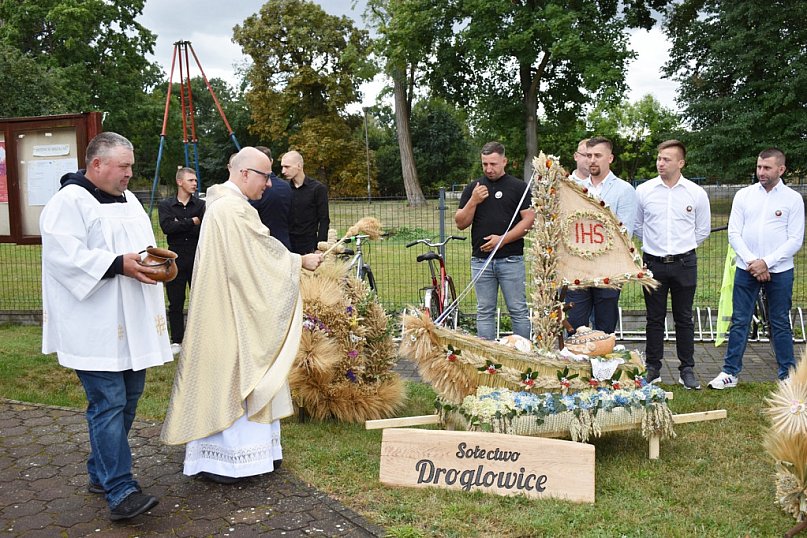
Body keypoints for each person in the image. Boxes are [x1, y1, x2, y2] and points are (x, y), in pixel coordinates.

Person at [161, 147, 323, 483]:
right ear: (245, 173)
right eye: (265, 177)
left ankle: (255, 457)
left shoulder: (225, 205)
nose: (269, 185)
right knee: (237, 372)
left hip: (229, 301)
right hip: (230, 310)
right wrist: (298, 261)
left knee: (237, 371)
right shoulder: (232, 210)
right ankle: (231, 462)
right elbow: (258, 256)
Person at [40, 132, 172, 520]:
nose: (131, 173)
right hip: (94, 323)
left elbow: (141, 248)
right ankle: (120, 488)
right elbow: (65, 258)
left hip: (133, 320)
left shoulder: (129, 200)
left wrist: (154, 264)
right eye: (124, 166)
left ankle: (100, 472)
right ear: (96, 164)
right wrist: (118, 264)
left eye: (131, 166)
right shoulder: (68, 203)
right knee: (109, 402)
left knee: (129, 399)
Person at [708, 148, 804, 389]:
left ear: (781, 169)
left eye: (767, 168)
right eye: (759, 167)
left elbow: (795, 239)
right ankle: (730, 373)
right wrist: (753, 262)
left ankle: (787, 375)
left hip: (780, 271)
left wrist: (767, 262)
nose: (761, 172)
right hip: (746, 268)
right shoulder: (744, 195)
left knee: (780, 321)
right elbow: (733, 232)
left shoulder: (792, 199)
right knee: (740, 320)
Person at [635, 140, 711, 389]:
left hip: (684, 263)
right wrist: (655, 247)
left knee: (684, 318)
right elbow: (637, 225)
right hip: (653, 264)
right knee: (654, 318)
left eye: (666, 159)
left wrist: (681, 248)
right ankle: (653, 368)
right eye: (659, 158)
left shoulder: (695, 193)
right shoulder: (644, 191)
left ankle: (686, 369)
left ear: (681, 163)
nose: (660, 163)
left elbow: (702, 230)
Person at [455, 141, 535, 340]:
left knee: (517, 309)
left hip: (511, 260)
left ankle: (523, 356)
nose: (489, 169)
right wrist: (473, 200)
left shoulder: (518, 187)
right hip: (481, 261)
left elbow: (530, 220)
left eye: (493, 164)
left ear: (504, 161)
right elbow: (460, 223)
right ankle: (488, 360)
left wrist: (502, 240)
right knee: (484, 311)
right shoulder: (474, 188)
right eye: (485, 164)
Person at [565, 136, 638, 334]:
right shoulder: (574, 188)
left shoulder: (624, 190)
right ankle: (574, 364)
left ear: (610, 158)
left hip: (608, 270)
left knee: (604, 330)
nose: (592, 160)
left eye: (598, 155)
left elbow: (625, 233)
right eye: (588, 155)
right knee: (574, 328)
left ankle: (603, 364)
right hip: (578, 269)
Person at [158, 167, 205, 354]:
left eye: (195, 180)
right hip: (174, 257)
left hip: (196, 255)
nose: (195, 183)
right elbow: (167, 227)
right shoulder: (166, 205)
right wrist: (191, 222)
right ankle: (177, 340)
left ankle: (200, 339)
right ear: (180, 182)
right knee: (176, 300)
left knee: (200, 299)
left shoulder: (201, 205)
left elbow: (201, 229)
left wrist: (181, 223)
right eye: (191, 180)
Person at [281, 150, 329, 254]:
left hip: (309, 244)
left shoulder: (318, 189)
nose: (283, 171)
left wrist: (320, 247)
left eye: (287, 167)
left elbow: (324, 219)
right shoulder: (283, 189)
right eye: (282, 167)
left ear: (299, 166)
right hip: (287, 244)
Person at [250, 145, 292, 249]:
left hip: (262, 248)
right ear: (272, 161)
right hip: (284, 245)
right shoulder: (286, 187)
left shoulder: (253, 190)